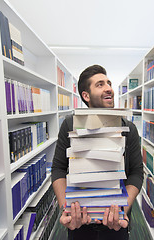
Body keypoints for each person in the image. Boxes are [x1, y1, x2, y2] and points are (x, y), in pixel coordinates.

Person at [51, 64, 143, 239]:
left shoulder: (128, 128)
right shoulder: (70, 125)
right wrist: (68, 208)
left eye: (109, 83)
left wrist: (123, 208)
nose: (108, 88)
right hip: (79, 224)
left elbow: (137, 173)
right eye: (100, 84)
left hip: (116, 225)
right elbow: (58, 169)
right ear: (86, 95)